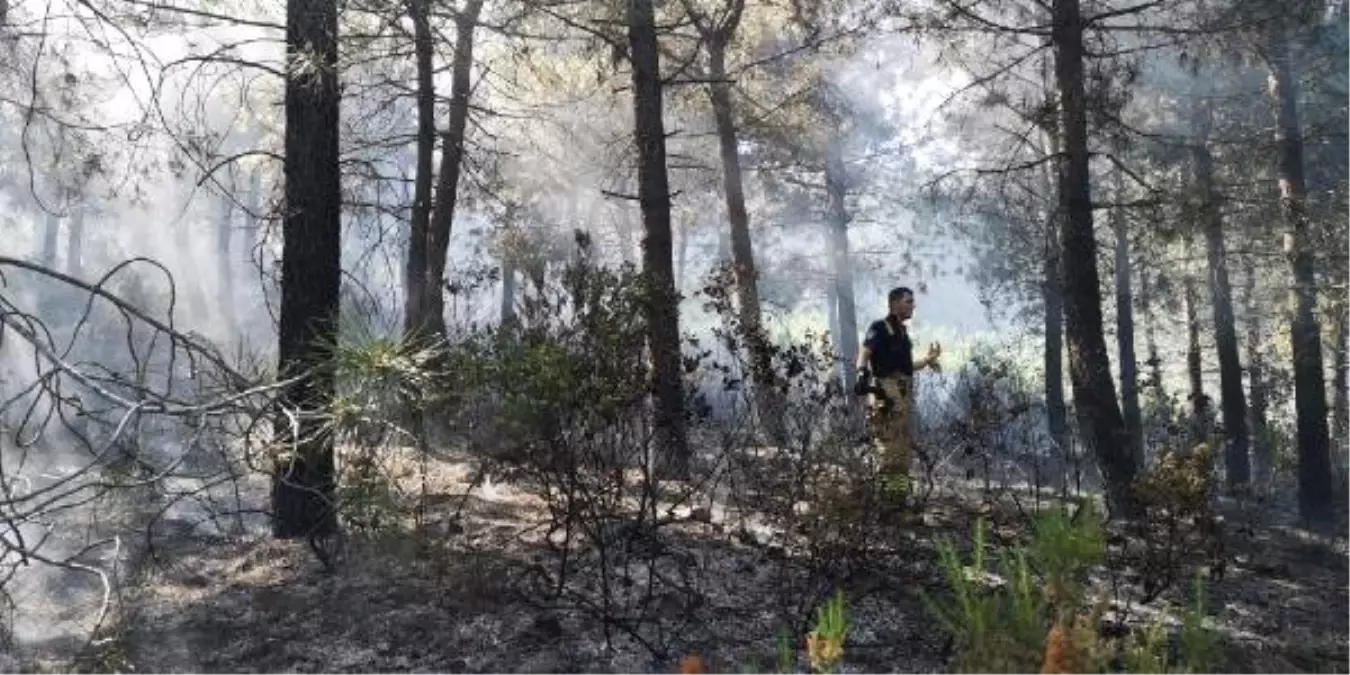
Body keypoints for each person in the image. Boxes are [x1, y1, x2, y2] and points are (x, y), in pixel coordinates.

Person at [853, 286, 941, 507]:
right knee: (888, 450)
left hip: (902, 392)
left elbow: (905, 367)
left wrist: (927, 360)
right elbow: (865, 352)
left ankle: (898, 501)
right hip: (885, 392)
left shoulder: (902, 332)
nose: (913, 305)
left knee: (902, 452)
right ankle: (883, 504)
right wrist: (862, 373)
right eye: (908, 301)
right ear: (894, 304)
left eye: (912, 301)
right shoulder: (880, 328)